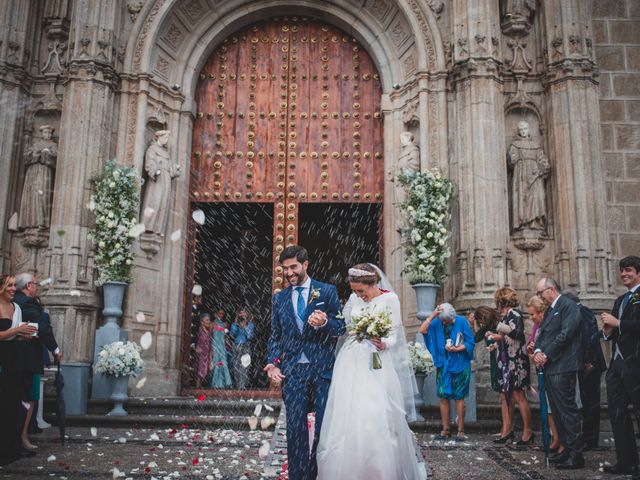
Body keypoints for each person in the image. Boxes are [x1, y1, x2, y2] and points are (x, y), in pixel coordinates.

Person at [317, 263, 426, 479]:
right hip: (351, 361)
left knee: (375, 412)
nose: (358, 295)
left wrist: (383, 342)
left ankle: (378, 469)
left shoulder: (390, 299)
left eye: (361, 291)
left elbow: (394, 335)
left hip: (377, 361)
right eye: (354, 291)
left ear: (373, 283)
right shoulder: (354, 299)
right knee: (347, 414)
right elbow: (347, 328)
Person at [264, 245, 344, 480]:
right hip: (293, 372)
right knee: (295, 430)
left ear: (305, 264)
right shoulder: (279, 299)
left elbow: (341, 327)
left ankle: (317, 475)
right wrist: (274, 362)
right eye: (285, 268)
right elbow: (276, 335)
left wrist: (324, 323)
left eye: (293, 267)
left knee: (323, 429)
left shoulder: (327, 292)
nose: (289, 273)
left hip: (322, 370)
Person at [533, 277, 584, 469]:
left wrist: (546, 354)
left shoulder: (568, 306)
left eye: (540, 292)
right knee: (558, 412)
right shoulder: (550, 310)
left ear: (551, 289)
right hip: (551, 367)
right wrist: (537, 351)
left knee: (567, 411)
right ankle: (565, 450)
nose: (539, 296)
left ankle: (576, 454)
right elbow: (542, 334)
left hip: (564, 366)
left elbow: (566, 334)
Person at [601, 256, 640, 475]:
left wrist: (619, 323)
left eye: (629, 271)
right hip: (617, 365)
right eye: (622, 271)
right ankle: (626, 461)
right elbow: (615, 330)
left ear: (639, 273)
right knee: (617, 413)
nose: (624, 274)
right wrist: (608, 332)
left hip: (635, 362)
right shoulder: (620, 300)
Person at [14, 273, 62, 451]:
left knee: (21, 397)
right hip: (25, 357)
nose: (36, 286)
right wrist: (55, 349)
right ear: (28, 286)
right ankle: (21, 436)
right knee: (26, 397)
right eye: (35, 283)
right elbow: (42, 328)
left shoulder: (16, 302)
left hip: (15, 357)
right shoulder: (27, 302)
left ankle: (19, 436)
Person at [420, 302, 475, 441]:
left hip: (460, 363)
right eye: (443, 320)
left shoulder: (462, 322)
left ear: (453, 318)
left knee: (459, 397)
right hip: (443, 364)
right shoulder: (437, 322)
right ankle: (445, 429)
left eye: (447, 321)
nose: (445, 323)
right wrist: (433, 315)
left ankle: (461, 430)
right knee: (443, 396)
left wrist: (458, 349)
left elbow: (470, 342)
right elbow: (423, 330)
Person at [562, 287, 606, 451]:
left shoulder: (584, 311)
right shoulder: (578, 311)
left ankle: (590, 439)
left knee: (590, 403)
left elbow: (590, 336)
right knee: (586, 401)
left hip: (591, 364)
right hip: (585, 363)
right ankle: (586, 437)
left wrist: (588, 360)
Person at [0, 275, 37, 466]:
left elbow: (17, 333)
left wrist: (25, 334)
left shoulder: (17, 308)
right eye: (10, 286)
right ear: (1, 288)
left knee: (13, 403)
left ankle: (12, 446)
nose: (14, 289)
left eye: (15, 285)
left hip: (15, 357)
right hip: (2, 357)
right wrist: (17, 330)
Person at [489, 287, 533, 445]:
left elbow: (518, 334)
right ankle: (507, 430)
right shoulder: (506, 316)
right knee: (504, 395)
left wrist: (501, 329)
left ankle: (528, 431)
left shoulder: (515, 314)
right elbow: (506, 338)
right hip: (506, 361)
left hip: (517, 362)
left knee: (518, 395)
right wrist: (495, 341)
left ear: (501, 300)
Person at [527, 295, 563, 454]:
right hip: (541, 369)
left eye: (533, 314)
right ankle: (554, 438)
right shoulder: (536, 327)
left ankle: (563, 441)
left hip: (555, 369)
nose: (531, 317)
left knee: (557, 407)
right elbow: (532, 346)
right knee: (547, 407)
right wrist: (532, 350)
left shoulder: (552, 325)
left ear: (542, 312)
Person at [507, 120, 550, 232]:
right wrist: (513, 157)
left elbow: (541, 158)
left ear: (528, 129)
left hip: (535, 175)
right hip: (521, 176)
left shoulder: (536, 145)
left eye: (525, 128)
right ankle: (523, 223)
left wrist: (543, 164)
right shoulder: (515, 145)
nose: (523, 131)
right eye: (521, 129)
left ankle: (536, 223)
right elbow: (511, 161)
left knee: (536, 198)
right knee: (522, 198)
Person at [141, 130, 180, 236]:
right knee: (155, 202)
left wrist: (174, 169)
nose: (167, 140)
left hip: (166, 180)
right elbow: (149, 163)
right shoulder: (152, 149)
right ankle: (149, 226)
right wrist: (155, 171)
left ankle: (158, 229)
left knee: (164, 204)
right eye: (166, 138)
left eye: (168, 138)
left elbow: (169, 169)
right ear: (160, 137)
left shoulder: (166, 153)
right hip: (157, 181)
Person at [19, 125, 58, 230]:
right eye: (45, 132)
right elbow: (26, 157)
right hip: (32, 173)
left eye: (49, 133)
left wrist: (47, 154)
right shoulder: (36, 145)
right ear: (42, 133)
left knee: (42, 196)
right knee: (33, 196)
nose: (47, 135)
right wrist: (37, 154)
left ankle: (42, 222)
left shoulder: (54, 146)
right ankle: (29, 222)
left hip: (45, 173)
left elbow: (56, 160)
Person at [230, 310, 255, 390]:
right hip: (236, 346)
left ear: (247, 314)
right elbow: (232, 334)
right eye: (240, 313)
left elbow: (250, 336)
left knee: (245, 365)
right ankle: (237, 385)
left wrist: (245, 327)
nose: (242, 314)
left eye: (244, 313)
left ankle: (243, 386)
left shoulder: (250, 325)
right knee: (236, 366)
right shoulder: (235, 324)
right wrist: (236, 322)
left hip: (245, 346)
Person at [210, 311, 232, 388]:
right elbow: (210, 336)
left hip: (222, 346)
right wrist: (211, 348)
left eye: (222, 313)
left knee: (223, 363)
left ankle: (224, 383)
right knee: (216, 364)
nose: (221, 315)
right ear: (215, 314)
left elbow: (226, 336)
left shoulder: (224, 324)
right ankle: (215, 383)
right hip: (215, 345)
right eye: (219, 313)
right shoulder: (212, 324)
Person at [194, 313, 212, 388]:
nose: (208, 321)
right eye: (206, 320)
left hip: (206, 351)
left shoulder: (207, 330)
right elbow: (201, 340)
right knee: (200, 368)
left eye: (209, 320)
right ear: (202, 322)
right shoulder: (201, 329)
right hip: (201, 351)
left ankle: (201, 384)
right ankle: (198, 384)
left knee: (205, 368)